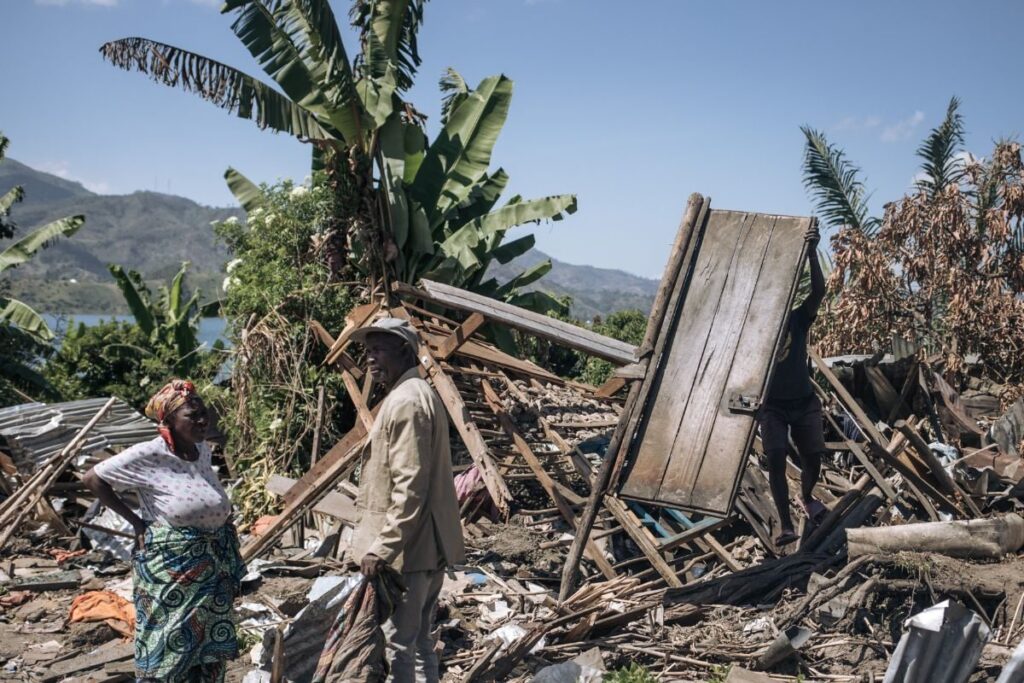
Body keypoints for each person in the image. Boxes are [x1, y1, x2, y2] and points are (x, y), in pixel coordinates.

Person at [83, 380, 244, 683]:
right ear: (169, 421)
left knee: (208, 649)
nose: (202, 420)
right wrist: (136, 522)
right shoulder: (149, 454)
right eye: (192, 415)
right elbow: (93, 478)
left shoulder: (202, 450)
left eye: (203, 413)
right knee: (168, 643)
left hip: (212, 564)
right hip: (172, 567)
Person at [349, 317, 465, 683]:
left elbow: (409, 485)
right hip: (424, 546)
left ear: (404, 351)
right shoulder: (416, 393)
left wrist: (382, 547)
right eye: (368, 351)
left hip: (409, 551)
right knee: (418, 641)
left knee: (400, 644)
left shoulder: (406, 402)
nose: (370, 359)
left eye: (379, 350)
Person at [759, 227, 829, 546]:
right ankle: (786, 526)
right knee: (775, 457)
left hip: (803, 401)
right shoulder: (756, 327)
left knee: (813, 459)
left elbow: (819, 291)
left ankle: (807, 496)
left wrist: (812, 253)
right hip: (772, 405)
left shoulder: (798, 319)